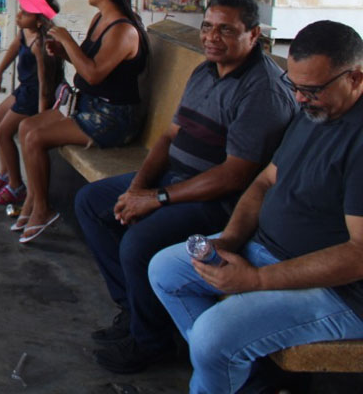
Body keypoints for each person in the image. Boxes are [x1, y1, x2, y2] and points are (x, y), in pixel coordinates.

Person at [76, 0, 296, 375]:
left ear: (254, 34)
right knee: (92, 203)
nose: (211, 37)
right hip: (173, 179)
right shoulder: (205, 70)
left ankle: (151, 342)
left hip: (221, 199)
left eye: (226, 30)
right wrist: (138, 188)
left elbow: (235, 175)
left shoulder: (263, 91)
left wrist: (157, 198)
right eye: (208, 27)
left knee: (138, 242)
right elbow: (169, 137)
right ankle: (135, 311)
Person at [148, 20, 363, 394]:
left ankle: (223, 361)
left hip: (340, 291)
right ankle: (245, 378)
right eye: (294, 86)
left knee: (213, 337)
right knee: (165, 270)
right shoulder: (315, 111)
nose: (298, 98)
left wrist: (256, 281)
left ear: (356, 78)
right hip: (267, 249)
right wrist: (230, 239)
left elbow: (359, 255)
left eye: (310, 89)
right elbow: (265, 181)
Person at [14, 0, 148, 243]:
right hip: (88, 104)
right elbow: (88, 64)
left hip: (113, 117)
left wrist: (68, 42)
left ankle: (41, 209)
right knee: (27, 127)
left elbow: (94, 73)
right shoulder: (100, 19)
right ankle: (33, 204)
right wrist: (62, 52)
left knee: (36, 137)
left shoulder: (124, 30)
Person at [0, 0, 64, 205]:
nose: (19, 15)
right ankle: (6, 172)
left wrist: (41, 117)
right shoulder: (25, 33)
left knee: (3, 133)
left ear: (39, 21)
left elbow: (44, 84)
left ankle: (16, 186)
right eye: (21, 10)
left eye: (25, 13)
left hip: (33, 95)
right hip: (24, 89)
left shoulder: (41, 44)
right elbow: (13, 48)